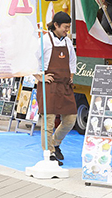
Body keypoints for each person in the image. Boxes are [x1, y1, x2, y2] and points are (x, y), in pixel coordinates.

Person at [34, 11, 77, 166]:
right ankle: (49, 153)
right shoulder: (44, 41)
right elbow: (31, 59)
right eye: (65, 27)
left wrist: (71, 74)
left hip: (65, 85)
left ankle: (55, 143)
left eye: (69, 27)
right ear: (56, 25)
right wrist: (40, 77)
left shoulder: (67, 42)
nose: (67, 30)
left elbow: (72, 60)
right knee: (49, 121)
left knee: (71, 119)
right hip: (49, 86)